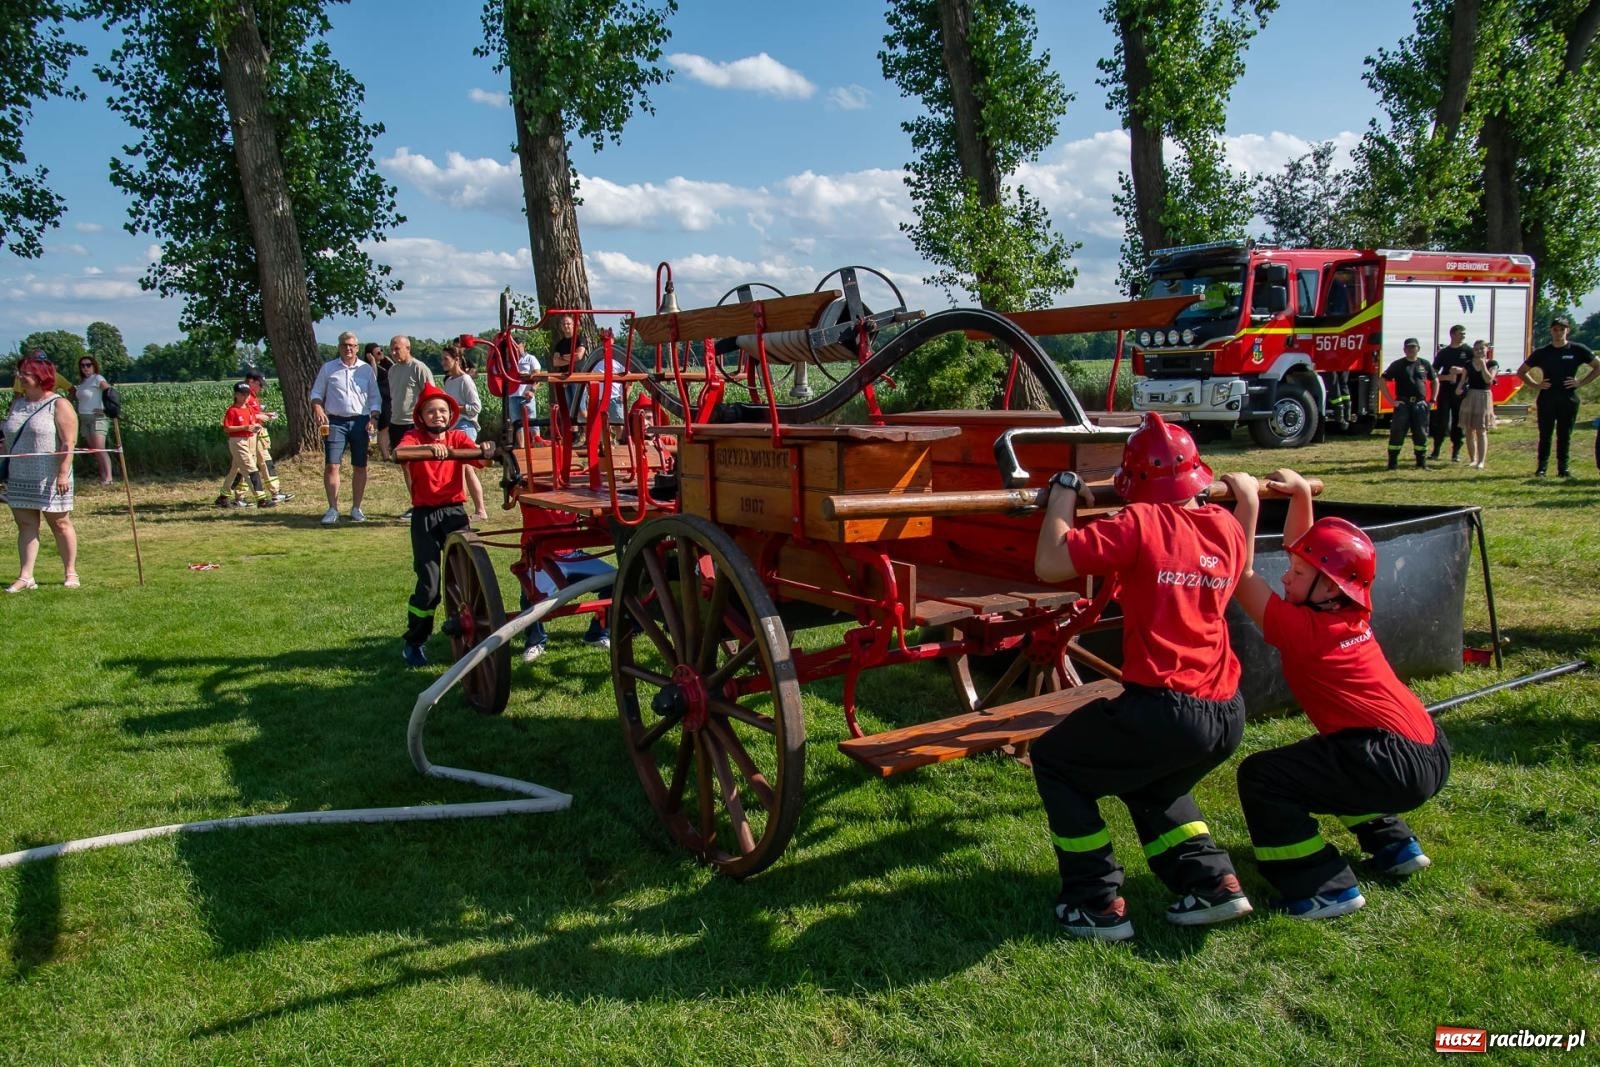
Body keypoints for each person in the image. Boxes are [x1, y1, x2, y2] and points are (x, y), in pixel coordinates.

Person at [1028, 412, 1251, 941]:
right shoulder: (1225, 527)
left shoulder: (1140, 523)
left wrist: (1063, 492)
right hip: (1227, 712)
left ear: (1135, 485)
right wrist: (1246, 499)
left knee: (1056, 761)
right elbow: (1241, 564)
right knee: (1151, 782)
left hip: (1165, 709)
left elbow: (1051, 561)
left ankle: (1095, 901)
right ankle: (1212, 882)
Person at [1224, 468, 1450, 920]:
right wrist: (1301, 495)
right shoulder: (1350, 613)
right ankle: (1394, 844)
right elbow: (1308, 549)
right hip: (1428, 747)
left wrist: (1247, 505)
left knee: (1262, 777)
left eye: (1296, 572)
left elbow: (1241, 572)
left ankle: (1321, 886)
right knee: (1334, 758)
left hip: (1390, 762)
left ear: (1328, 587)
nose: (1286, 577)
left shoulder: (1301, 629)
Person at [394, 384, 493, 666]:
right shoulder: (413, 438)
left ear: (450, 414)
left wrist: (484, 449)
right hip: (425, 516)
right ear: (421, 416)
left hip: (454, 514)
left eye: (442, 411)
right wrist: (430, 448)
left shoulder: (458, 437)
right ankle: (414, 641)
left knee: (470, 576)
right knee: (430, 585)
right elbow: (401, 451)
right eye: (431, 411)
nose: (437, 415)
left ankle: (477, 628)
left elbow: (478, 455)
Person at [2, 355, 78, 591]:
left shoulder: (60, 404)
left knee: (60, 524)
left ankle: (70, 572)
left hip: (51, 477)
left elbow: (68, 443)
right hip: (19, 476)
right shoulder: (17, 404)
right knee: (26, 525)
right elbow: (7, 439)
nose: (20, 377)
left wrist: (63, 474)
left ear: (40, 376)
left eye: (25, 373)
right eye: (20, 373)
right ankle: (26, 576)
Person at [309, 331, 380, 525]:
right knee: (332, 464)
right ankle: (333, 508)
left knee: (360, 465)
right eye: (344, 345)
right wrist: (317, 407)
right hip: (335, 422)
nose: (348, 348)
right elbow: (316, 392)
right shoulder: (328, 368)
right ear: (339, 347)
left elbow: (375, 398)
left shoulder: (366, 370)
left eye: (351, 345)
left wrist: (374, 417)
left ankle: (356, 507)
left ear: (357, 348)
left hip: (360, 421)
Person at [1518, 316, 1599, 478]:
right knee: (1545, 434)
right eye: (1555, 329)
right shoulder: (1542, 352)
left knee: (1564, 434)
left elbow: (1597, 366)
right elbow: (1521, 371)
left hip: (1568, 397)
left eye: (1562, 329)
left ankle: (1563, 468)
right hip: (1547, 397)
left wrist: (1581, 382)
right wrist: (1536, 384)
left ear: (1567, 331)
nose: (1558, 332)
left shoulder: (1577, 349)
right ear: (1551, 331)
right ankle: (1542, 467)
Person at [519, 552, 613, 662]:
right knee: (532, 594)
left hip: (573, 556)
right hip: (539, 558)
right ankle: (535, 642)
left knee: (616, 582)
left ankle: (597, 634)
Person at [386, 334, 434, 519]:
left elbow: (430, 396)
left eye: (397, 348)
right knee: (405, 465)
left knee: (419, 466)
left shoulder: (419, 368)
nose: (394, 352)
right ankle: (416, 502)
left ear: (408, 348)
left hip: (414, 424)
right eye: (392, 348)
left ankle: (426, 502)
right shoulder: (392, 370)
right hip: (396, 422)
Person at [440, 342, 488, 523]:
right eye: (442, 359)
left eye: (446, 359)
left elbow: (476, 407)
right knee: (458, 469)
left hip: (466, 427)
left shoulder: (465, 380)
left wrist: (456, 408)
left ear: (457, 360)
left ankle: (480, 510)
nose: (443, 362)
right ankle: (459, 508)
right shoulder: (449, 381)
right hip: (453, 428)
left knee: (467, 467)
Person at [215, 382, 276, 509]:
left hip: (250, 439)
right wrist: (245, 427)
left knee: (235, 470)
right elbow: (227, 428)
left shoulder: (248, 408)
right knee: (251, 468)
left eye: (247, 394)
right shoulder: (232, 410)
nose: (246, 396)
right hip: (238, 441)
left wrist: (257, 426)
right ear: (236, 395)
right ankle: (261, 499)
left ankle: (223, 497)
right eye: (242, 394)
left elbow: (253, 421)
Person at [1381, 338, 1436, 470]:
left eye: (1413, 347)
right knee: (1397, 433)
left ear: (1418, 349)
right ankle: (1392, 464)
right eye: (1408, 347)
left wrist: (1432, 399)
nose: (1411, 350)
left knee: (1421, 433)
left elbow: (1435, 380)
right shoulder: (1398, 364)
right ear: (1404, 349)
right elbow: (1382, 380)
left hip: (1420, 405)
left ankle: (1421, 463)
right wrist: (1391, 401)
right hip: (1403, 404)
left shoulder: (1425, 364)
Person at [1430, 325, 1471, 462]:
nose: (1463, 336)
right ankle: (1436, 450)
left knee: (1458, 423)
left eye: (1464, 334)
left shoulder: (1468, 351)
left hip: (1460, 392)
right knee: (1442, 421)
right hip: (1445, 391)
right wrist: (1446, 377)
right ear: (1452, 334)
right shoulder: (1444, 353)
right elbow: (1433, 373)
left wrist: (1460, 370)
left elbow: (1474, 370)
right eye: (1461, 333)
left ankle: (1456, 452)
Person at [74, 355, 115, 486]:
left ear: (94, 366)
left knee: (100, 448)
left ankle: (109, 478)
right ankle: (102, 476)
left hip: (97, 418)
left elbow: (109, 391)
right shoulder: (82, 383)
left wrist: (106, 410)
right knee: (94, 450)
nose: (85, 368)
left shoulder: (98, 378)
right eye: (83, 365)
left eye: (88, 365)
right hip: (84, 418)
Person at [1456, 340, 1495, 469]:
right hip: (1470, 395)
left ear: (1487, 349)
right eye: (1476, 349)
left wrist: (1483, 366)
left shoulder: (1492, 364)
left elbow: (1488, 379)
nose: (1479, 351)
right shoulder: (1467, 364)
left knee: (1481, 430)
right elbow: (1463, 380)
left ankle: (1481, 461)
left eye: (1481, 349)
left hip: (1484, 396)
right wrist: (1459, 389)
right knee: (1469, 429)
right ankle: (1473, 459)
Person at [504, 335, 541, 448]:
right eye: (513, 347)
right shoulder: (509, 361)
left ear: (523, 345)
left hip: (527, 396)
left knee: (532, 422)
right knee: (517, 423)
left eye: (517, 346)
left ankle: (536, 444)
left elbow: (538, 376)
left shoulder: (530, 359)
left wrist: (532, 391)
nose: (516, 349)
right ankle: (521, 447)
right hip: (513, 395)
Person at [364, 341, 394, 461]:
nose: (381, 353)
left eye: (381, 350)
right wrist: (372, 361)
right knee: (384, 428)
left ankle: (388, 452)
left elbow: (394, 368)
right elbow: (373, 378)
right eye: (377, 352)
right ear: (370, 354)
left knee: (389, 427)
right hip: (381, 401)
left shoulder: (386, 364)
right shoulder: (368, 367)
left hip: (389, 399)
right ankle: (385, 455)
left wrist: (387, 358)